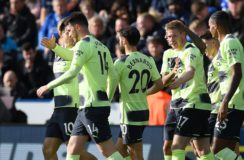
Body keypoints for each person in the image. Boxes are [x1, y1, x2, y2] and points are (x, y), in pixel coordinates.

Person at [36, 12, 123, 160]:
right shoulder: (101, 47)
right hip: (88, 107)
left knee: (107, 151)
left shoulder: (83, 45)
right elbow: (113, 77)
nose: (68, 34)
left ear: (77, 27)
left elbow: (72, 72)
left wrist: (48, 86)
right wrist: (107, 99)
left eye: (69, 30)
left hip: (90, 105)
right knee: (72, 149)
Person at [40, 17, 96, 160]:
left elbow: (71, 57)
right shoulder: (58, 54)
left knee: (76, 152)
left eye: (69, 31)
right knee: (48, 149)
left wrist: (55, 47)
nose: (69, 34)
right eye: (65, 32)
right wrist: (56, 48)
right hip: (58, 109)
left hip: (71, 108)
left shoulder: (77, 51)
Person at [109, 26, 163, 160]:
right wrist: (145, 93)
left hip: (129, 113)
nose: (119, 41)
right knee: (120, 150)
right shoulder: (148, 60)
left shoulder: (120, 62)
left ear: (124, 40)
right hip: (143, 110)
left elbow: (111, 87)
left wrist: (105, 103)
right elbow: (159, 84)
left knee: (135, 154)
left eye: (120, 38)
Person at [164, 20, 213, 160]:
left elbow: (190, 71)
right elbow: (163, 80)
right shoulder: (168, 54)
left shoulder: (192, 49)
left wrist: (176, 82)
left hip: (193, 102)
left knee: (176, 147)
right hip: (176, 105)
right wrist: (172, 73)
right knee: (202, 150)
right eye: (168, 36)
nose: (171, 39)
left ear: (183, 34)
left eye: (174, 35)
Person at [208, 11, 244, 160]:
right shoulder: (223, 45)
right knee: (228, 150)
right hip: (232, 101)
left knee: (215, 150)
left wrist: (225, 102)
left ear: (216, 26)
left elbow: (237, 73)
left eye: (210, 27)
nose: (209, 30)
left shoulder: (229, 42)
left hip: (234, 102)